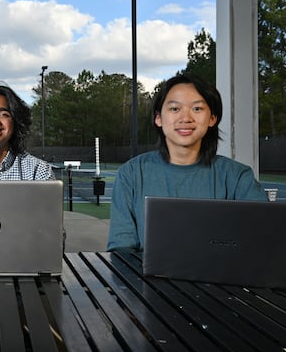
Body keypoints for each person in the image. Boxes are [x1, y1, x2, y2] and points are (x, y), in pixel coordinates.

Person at [107, 73, 268, 252]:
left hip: (222, 278)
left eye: (197, 109)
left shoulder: (238, 177)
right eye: (175, 109)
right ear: (158, 118)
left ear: (212, 118)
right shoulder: (131, 174)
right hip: (146, 278)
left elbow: (262, 241)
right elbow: (122, 250)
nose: (186, 118)